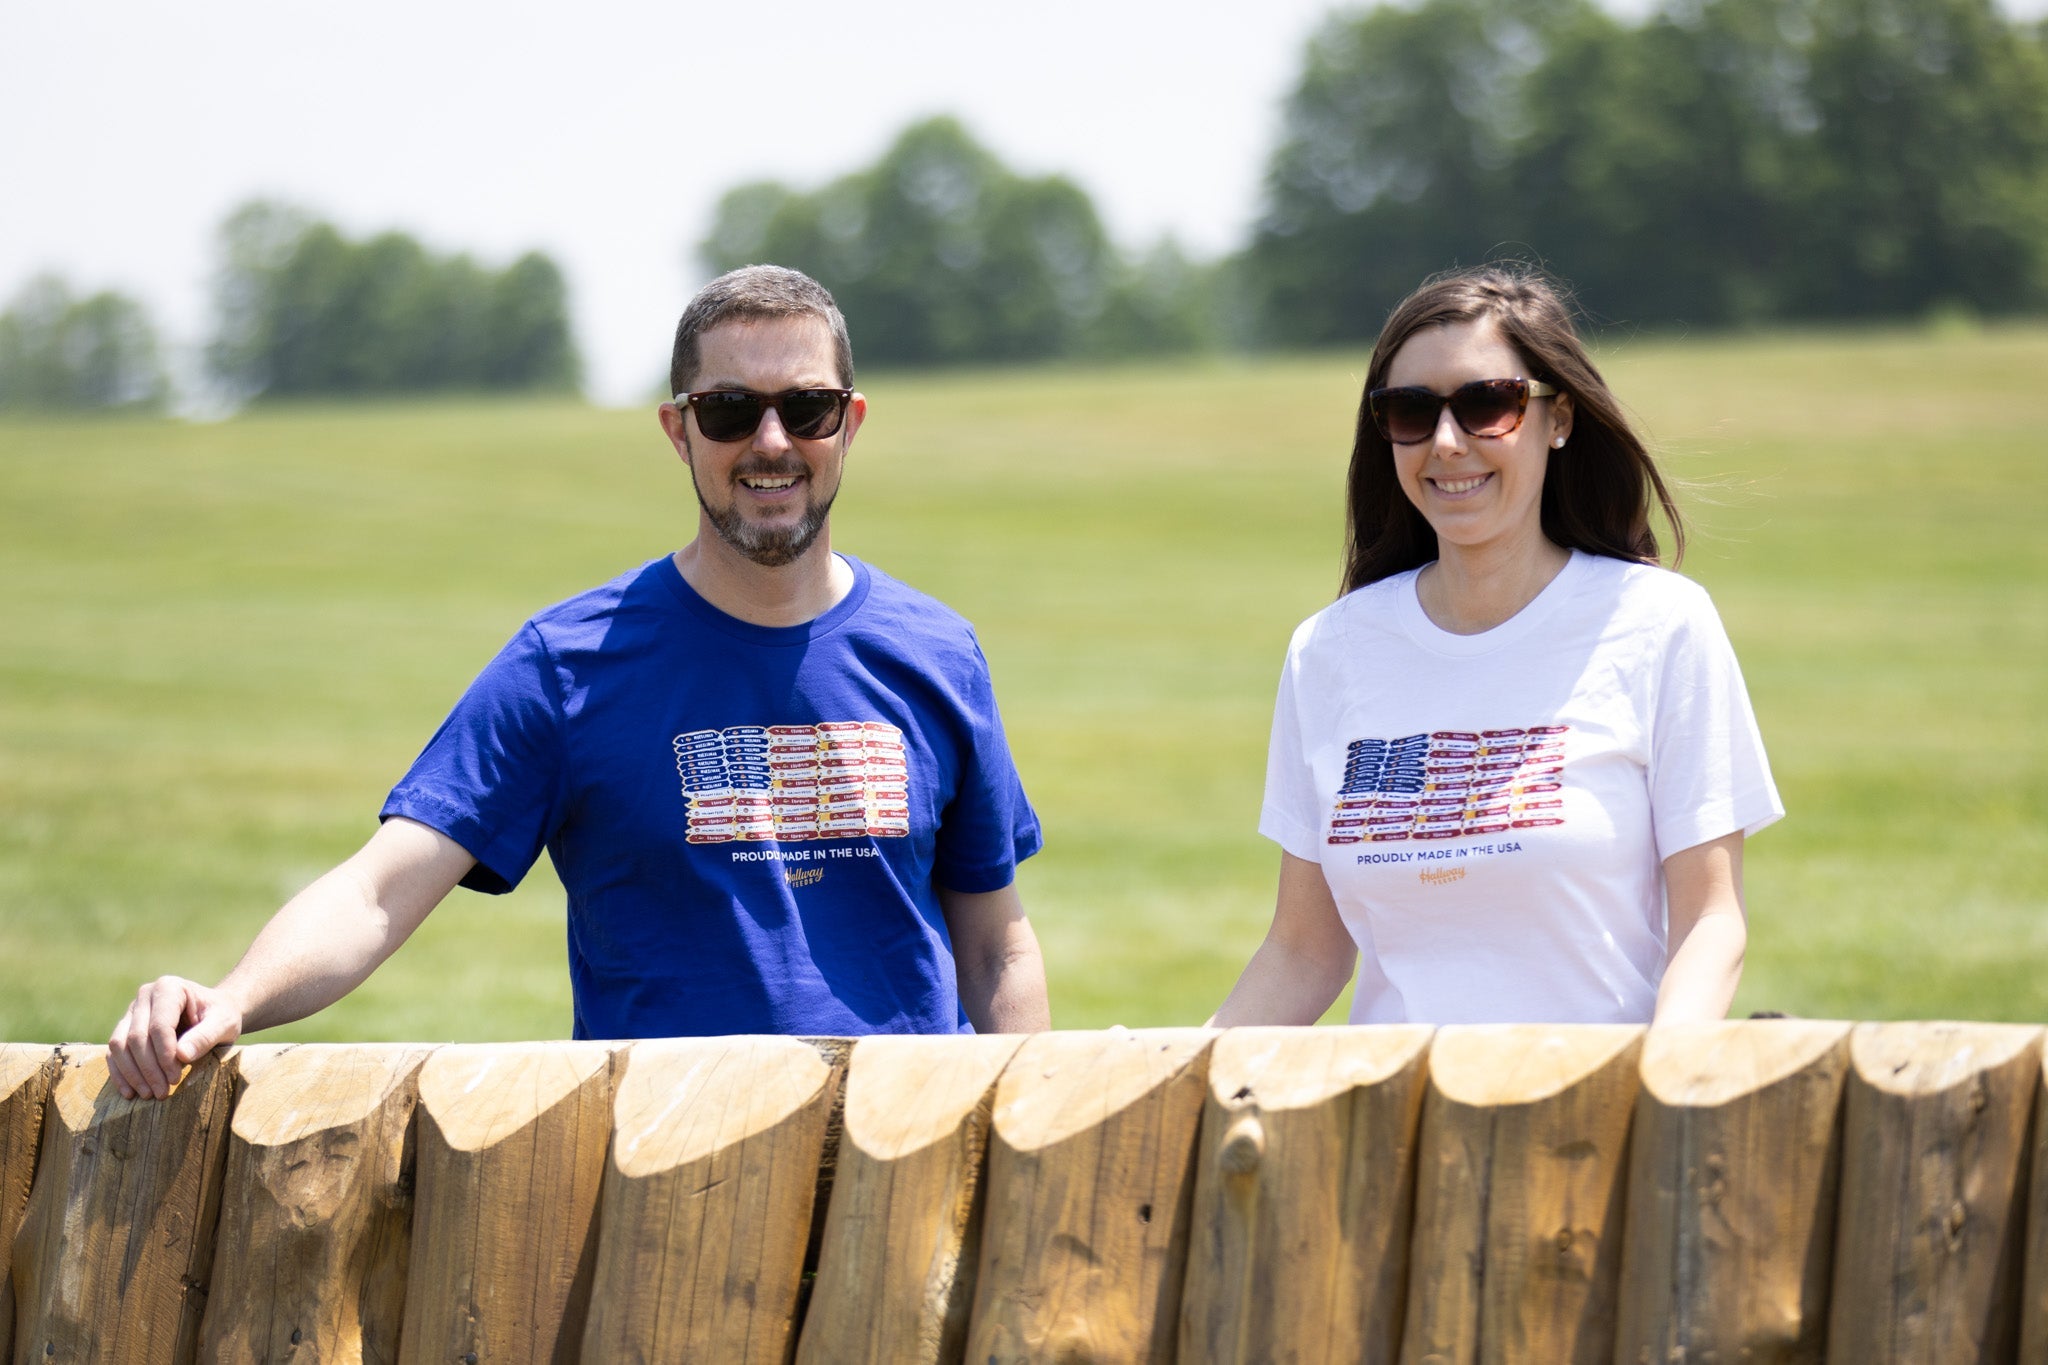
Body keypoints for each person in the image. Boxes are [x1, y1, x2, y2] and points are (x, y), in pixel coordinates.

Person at [110, 265, 1050, 1100]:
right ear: (679, 431)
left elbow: (993, 942)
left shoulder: (938, 653)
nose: (770, 441)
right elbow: (378, 890)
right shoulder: (568, 663)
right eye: (728, 410)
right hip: (665, 1177)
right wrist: (229, 996)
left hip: (903, 1165)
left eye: (804, 408)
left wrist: (1027, 1130)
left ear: (848, 423)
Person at [1212, 265, 1781, 1028]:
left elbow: (1712, 922)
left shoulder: (1659, 624)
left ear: (1559, 418)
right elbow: (1304, 952)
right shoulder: (1330, 651)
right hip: (1385, 1127)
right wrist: (1175, 1076)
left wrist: (1660, 1084)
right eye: (1410, 411)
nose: (1447, 442)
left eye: (1488, 404)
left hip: (1593, 1119)